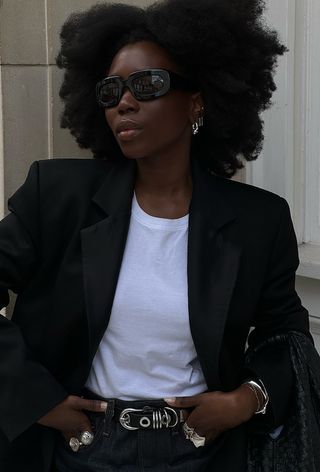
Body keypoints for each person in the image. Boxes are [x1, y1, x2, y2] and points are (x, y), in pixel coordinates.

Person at [0, 0, 315, 471]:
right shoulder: (57, 196)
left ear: (198, 100)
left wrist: (246, 400)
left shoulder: (258, 220)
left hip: (205, 452)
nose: (124, 102)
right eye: (111, 90)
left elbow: (285, 332)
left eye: (148, 84)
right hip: (79, 450)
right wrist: (34, 398)